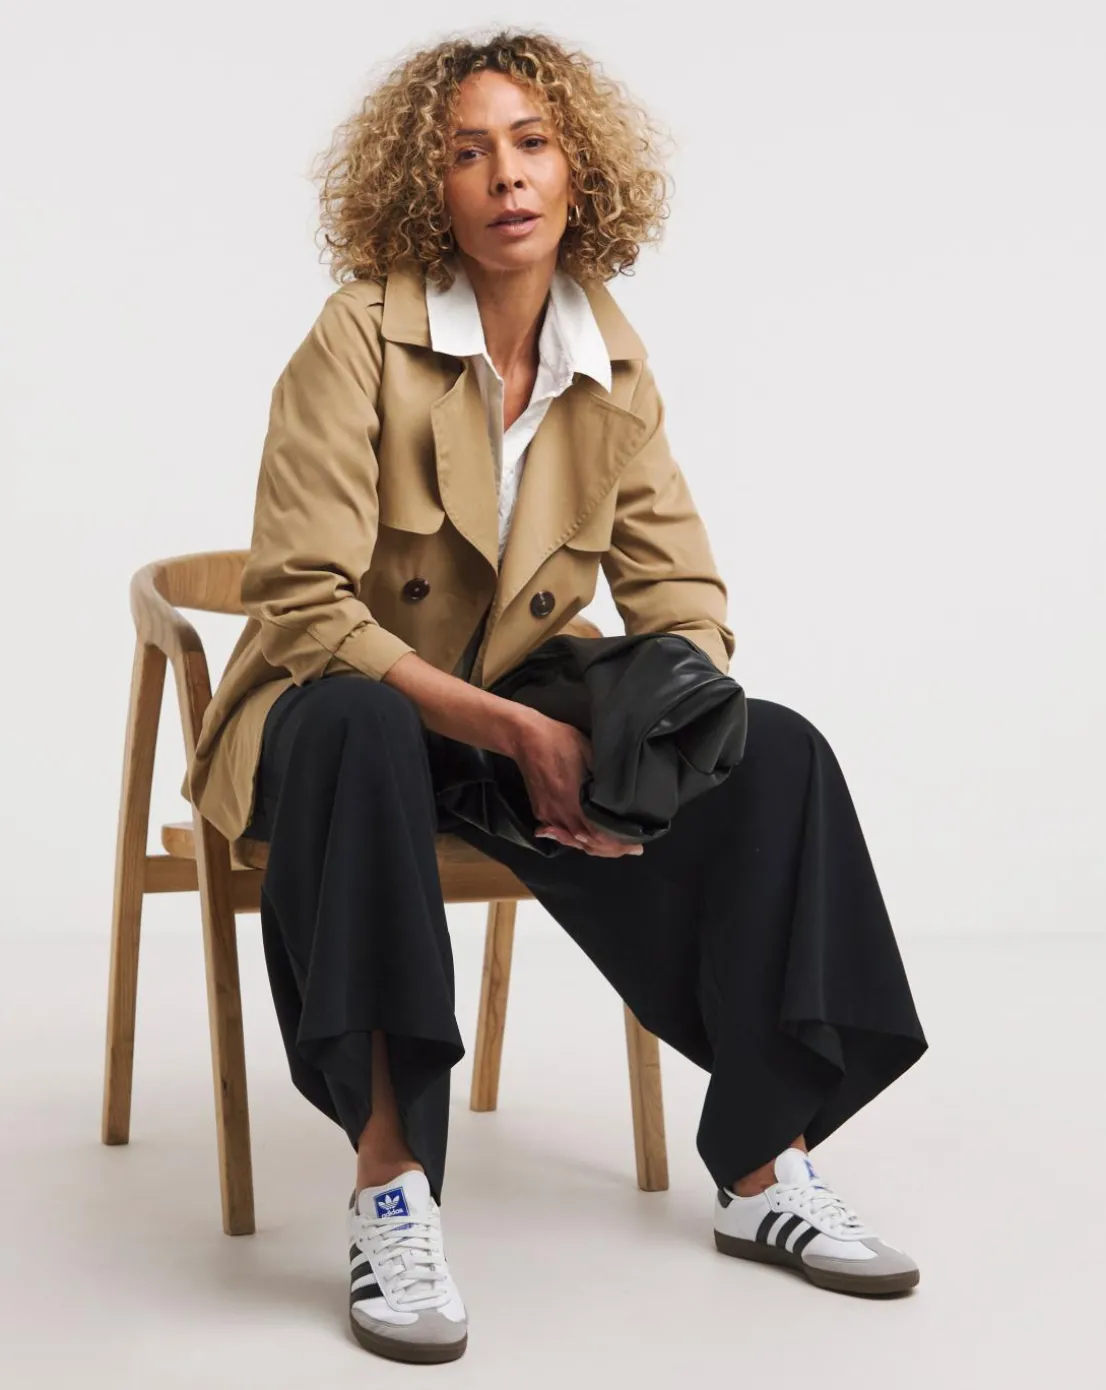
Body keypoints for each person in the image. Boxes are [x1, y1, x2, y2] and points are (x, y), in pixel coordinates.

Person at [185, 29, 928, 1366]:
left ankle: (763, 1164)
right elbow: (300, 599)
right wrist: (512, 729)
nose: (505, 176)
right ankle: (390, 1184)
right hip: (333, 713)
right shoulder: (358, 337)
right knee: (361, 723)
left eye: (530, 143)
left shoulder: (609, 364)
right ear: (427, 186)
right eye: (467, 152)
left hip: (498, 711)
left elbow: (681, 598)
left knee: (773, 750)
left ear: (580, 170)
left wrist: (653, 754)